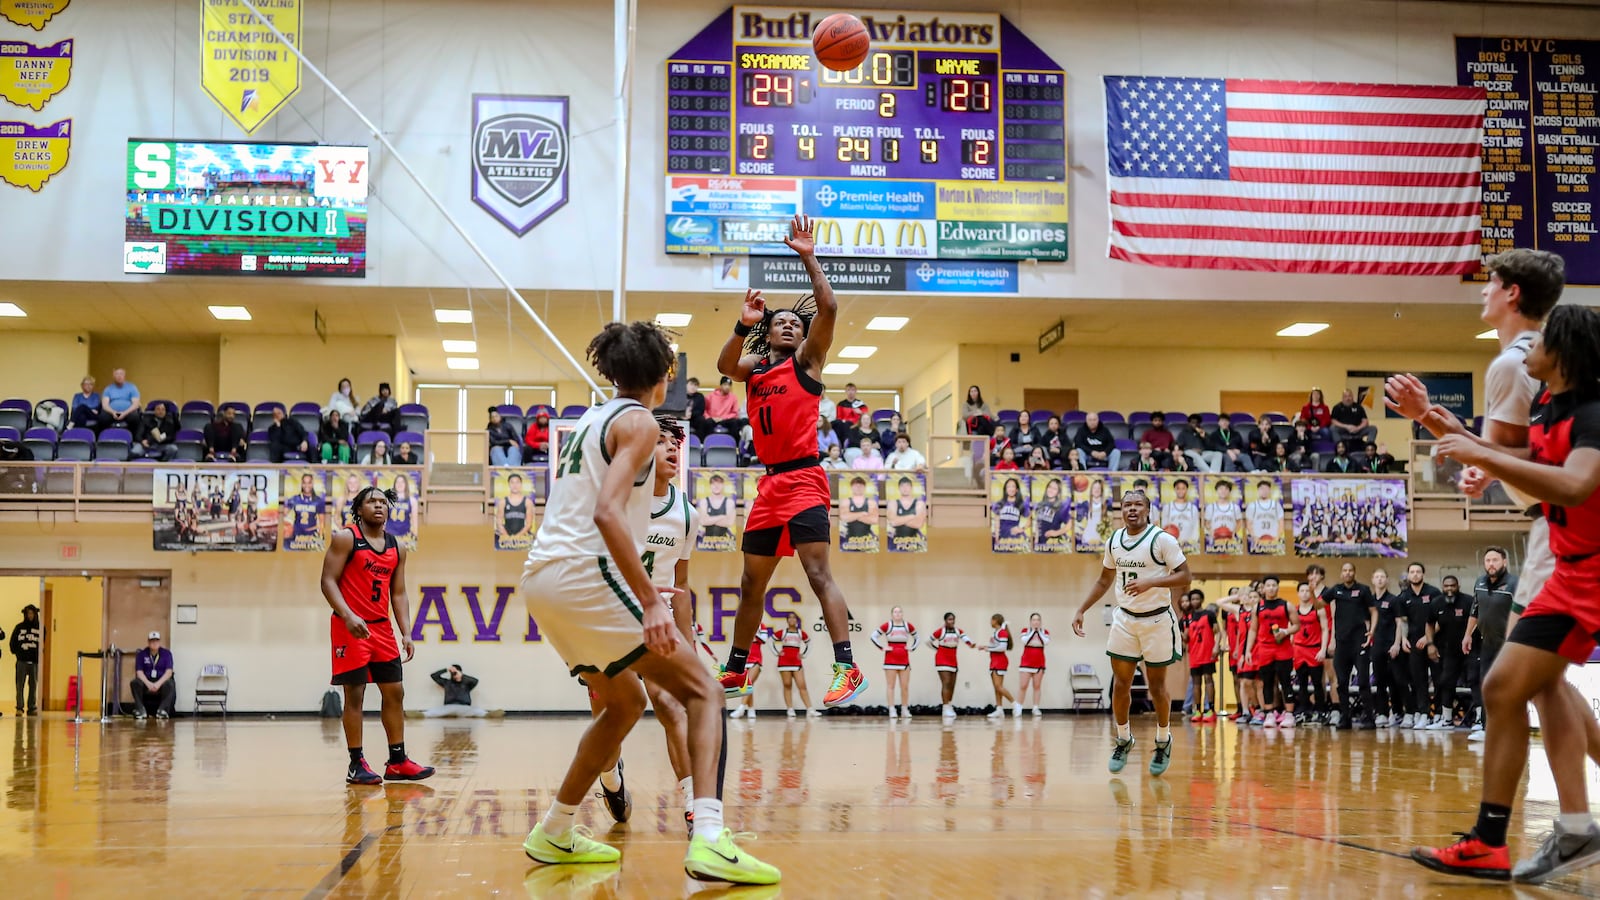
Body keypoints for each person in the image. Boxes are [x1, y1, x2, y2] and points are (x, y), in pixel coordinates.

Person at [519, 321, 776, 883]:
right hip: (584, 573)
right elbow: (607, 513)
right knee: (704, 690)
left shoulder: (589, 419)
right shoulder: (637, 420)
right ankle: (710, 837)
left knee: (624, 704)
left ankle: (555, 830)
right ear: (666, 376)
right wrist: (652, 602)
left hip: (542, 579)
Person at [1413, 303, 1600, 882]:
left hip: (1593, 575)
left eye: (1541, 339)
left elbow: (1574, 485)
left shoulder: (1593, 413)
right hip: (1570, 573)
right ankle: (1548, 833)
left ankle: (1508, 838)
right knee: (1513, 685)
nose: (1530, 345)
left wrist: (1481, 452)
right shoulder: (1550, 404)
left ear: (1563, 353)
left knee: (1517, 684)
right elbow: (1522, 458)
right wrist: (1444, 427)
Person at [714, 215, 867, 712]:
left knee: (817, 574)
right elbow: (723, 366)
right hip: (770, 488)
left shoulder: (807, 364)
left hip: (804, 478)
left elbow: (829, 306)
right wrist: (743, 323)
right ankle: (736, 669)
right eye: (779, 320)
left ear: (803, 338)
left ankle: (847, 667)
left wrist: (807, 257)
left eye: (795, 324)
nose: (787, 323)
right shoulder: (755, 370)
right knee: (750, 582)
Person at [1071, 489, 1191, 776]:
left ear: (1148, 509)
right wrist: (1081, 609)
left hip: (1157, 621)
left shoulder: (1162, 539)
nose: (1132, 509)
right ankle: (1124, 738)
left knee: (1157, 687)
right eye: (1127, 505)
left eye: (1138, 504)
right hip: (1125, 619)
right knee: (1120, 684)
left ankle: (1163, 741)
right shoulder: (1114, 540)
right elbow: (1103, 580)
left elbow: (1185, 576)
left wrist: (1152, 582)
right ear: (1121, 510)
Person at [320, 485, 433, 785]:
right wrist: (347, 615)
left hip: (381, 628)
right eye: (371, 502)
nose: (379, 506)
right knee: (355, 695)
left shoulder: (398, 546)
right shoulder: (346, 538)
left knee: (395, 692)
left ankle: (397, 760)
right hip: (350, 627)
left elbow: (399, 593)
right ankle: (356, 763)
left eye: (383, 501)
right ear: (358, 509)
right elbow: (328, 581)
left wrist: (406, 632)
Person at [1467, 547, 1516, 740]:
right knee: (1487, 685)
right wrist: (1467, 635)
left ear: (1504, 562)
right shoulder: (1479, 582)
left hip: (1510, 645)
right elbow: (1474, 611)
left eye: (1495, 560)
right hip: (1487, 643)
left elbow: (1525, 613)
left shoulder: (1515, 584)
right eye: (1487, 560)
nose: (1491, 564)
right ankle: (1488, 729)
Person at [1241, 577, 1300, 729]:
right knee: (1266, 682)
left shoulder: (1286, 605)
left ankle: (1289, 714)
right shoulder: (1257, 607)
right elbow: (1253, 630)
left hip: (1283, 648)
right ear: (1264, 588)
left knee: (1285, 681)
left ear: (1277, 588)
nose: (1271, 588)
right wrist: (1247, 650)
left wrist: (1285, 631)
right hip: (1264, 649)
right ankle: (1269, 714)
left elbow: (1297, 625)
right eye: (1268, 585)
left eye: (1274, 585)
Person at [1326, 562, 1378, 730]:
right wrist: (1312, 591)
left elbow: (1374, 611)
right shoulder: (1335, 590)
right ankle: (1345, 717)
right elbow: (1319, 604)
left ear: (1354, 572)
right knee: (1341, 682)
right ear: (1341, 573)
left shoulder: (1363, 590)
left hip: (1359, 641)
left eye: (1350, 570)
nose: (1347, 573)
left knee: (1363, 680)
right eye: (1345, 570)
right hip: (1342, 643)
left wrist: (1372, 631)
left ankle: (1369, 717)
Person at [1397, 562, 1441, 729]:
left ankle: (1437, 714)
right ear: (1408, 575)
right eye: (1412, 572)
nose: (1415, 575)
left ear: (1423, 574)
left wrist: (1427, 637)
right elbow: (1403, 622)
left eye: (1418, 572)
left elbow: (1439, 620)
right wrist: (1403, 639)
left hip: (1433, 642)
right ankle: (1423, 713)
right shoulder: (1403, 596)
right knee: (1418, 680)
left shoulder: (1433, 593)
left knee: (1438, 679)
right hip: (1415, 643)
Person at [1429, 574, 1473, 729]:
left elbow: (1477, 621)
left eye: (1452, 586)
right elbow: (1429, 624)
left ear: (1458, 586)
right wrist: (1430, 644)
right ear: (1442, 587)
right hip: (1449, 651)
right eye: (1446, 586)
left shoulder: (1469, 601)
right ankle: (1447, 720)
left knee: (1475, 680)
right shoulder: (1436, 603)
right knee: (1446, 682)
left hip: (1470, 650)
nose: (1449, 589)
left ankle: (1480, 721)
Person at [1291, 581, 1330, 725]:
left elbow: (1325, 629)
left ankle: (1320, 710)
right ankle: (1303, 710)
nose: (1305, 593)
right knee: (1301, 683)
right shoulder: (1294, 610)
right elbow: (1291, 631)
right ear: (1298, 593)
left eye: (1307, 590)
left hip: (1314, 649)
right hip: (1299, 649)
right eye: (1302, 591)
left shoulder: (1318, 609)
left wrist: (1323, 648)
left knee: (1317, 683)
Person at [872, 607, 918, 718]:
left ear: (902, 614)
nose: (898, 614)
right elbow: (873, 636)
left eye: (900, 612)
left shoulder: (907, 625)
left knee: (905, 686)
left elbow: (917, 638)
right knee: (890, 686)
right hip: (890, 661)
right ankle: (891, 710)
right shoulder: (888, 625)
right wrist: (882, 647)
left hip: (904, 660)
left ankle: (904, 709)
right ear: (892, 614)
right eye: (895, 612)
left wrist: (912, 647)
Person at [928, 612, 975, 720]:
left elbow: (966, 638)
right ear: (945, 621)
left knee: (952, 684)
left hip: (953, 659)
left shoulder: (958, 631)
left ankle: (949, 705)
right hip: (942, 659)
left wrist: (971, 644)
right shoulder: (941, 631)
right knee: (946, 682)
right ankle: (945, 708)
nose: (951, 621)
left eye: (953, 619)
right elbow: (928, 641)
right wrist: (937, 649)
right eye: (949, 619)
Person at [770, 612, 819, 718]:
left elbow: (809, 643)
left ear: (797, 620)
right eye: (790, 618)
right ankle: (790, 709)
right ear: (787, 620)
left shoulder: (801, 633)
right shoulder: (783, 632)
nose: (792, 620)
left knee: (802, 685)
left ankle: (810, 709)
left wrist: (804, 655)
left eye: (794, 618)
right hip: (784, 662)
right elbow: (771, 640)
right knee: (787, 685)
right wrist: (776, 653)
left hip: (796, 662)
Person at [1184, 594, 1220, 723]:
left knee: (1208, 679)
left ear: (1202, 600)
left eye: (1197, 599)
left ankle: (1210, 710)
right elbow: (1187, 638)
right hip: (1194, 654)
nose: (1194, 601)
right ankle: (1197, 710)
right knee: (1196, 683)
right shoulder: (1188, 617)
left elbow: (1218, 632)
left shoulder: (1209, 614)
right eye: (1192, 599)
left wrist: (1216, 647)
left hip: (1207, 653)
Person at [421, 665, 498, 718]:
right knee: (434, 712)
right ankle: (420, 715)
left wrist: (462, 676)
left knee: (478, 711)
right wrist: (447, 669)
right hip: (449, 707)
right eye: (453, 673)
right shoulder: (446, 682)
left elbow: (475, 681)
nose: (454, 674)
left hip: (465, 708)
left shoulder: (467, 683)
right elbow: (434, 676)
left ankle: (490, 715)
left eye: (456, 672)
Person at [130, 631, 175, 719]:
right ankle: (140, 710)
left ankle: (163, 710)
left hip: (160, 681)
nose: (154, 643)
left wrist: (158, 684)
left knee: (170, 683)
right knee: (135, 683)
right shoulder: (141, 654)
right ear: (148, 642)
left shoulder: (167, 654)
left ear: (159, 642)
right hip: (146, 681)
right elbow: (139, 672)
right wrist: (148, 684)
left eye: (156, 641)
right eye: (152, 641)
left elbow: (169, 672)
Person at [984, 614, 1019, 719]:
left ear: (995, 620)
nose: (990, 622)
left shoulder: (1003, 632)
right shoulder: (997, 632)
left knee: (999, 686)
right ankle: (999, 709)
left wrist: (989, 649)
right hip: (994, 660)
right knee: (996, 687)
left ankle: (1015, 704)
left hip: (1000, 661)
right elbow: (996, 646)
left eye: (991, 619)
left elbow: (1002, 647)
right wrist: (985, 647)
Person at [1017, 612, 1050, 717]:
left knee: (1037, 686)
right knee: (1023, 685)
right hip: (1026, 661)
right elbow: (1025, 641)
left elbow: (1045, 642)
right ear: (1030, 621)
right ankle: (1018, 708)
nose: (1036, 622)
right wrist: (1033, 632)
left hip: (1039, 662)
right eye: (1034, 620)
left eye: (1038, 620)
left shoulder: (1045, 632)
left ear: (1040, 622)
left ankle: (1035, 708)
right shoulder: (1025, 631)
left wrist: (1038, 632)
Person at [10, 604, 40, 715]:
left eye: (32, 613)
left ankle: (32, 707)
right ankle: (19, 707)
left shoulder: (40, 628)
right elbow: (12, 642)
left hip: (34, 662)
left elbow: (43, 642)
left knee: (33, 685)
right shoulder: (19, 627)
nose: (30, 615)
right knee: (19, 685)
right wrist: (17, 653)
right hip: (21, 661)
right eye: (28, 613)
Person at [284, 473, 326, 550]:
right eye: (304, 482)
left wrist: (320, 537)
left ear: (312, 484)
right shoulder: (295, 499)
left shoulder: (318, 501)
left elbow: (322, 522)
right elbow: (283, 514)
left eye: (309, 482)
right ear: (302, 484)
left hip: (311, 536)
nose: (307, 485)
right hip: (296, 536)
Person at [887, 476, 926, 549]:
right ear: (899, 488)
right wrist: (912, 516)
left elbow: (918, 524)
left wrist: (899, 520)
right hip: (896, 544)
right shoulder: (893, 503)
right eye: (902, 486)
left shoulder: (919, 503)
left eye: (907, 485)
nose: (905, 488)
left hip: (915, 543)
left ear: (911, 488)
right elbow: (893, 522)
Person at [100, 368, 141, 432]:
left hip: (128, 412)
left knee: (135, 417)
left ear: (124, 376)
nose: (119, 376)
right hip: (111, 413)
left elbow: (135, 405)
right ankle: (104, 438)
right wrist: (113, 412)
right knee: (103, 417)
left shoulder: (132, 387)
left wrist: (124, 413)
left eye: (121, 374)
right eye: (117, 374)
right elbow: (105, 405)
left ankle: (133, 439)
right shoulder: (108, 388)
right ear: (113, 376)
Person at [696, 474, 736, 541]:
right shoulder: (704, 502)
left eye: (719, 483)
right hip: (706, 543)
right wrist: (722, 517)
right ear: (710, 486)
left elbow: (730, 523)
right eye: (713, 484)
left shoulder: (729, 502)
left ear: (723, 485)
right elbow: (703, 522)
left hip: (725, 543)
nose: (716, 486)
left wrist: (709, 520)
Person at [497, 473, 532, 541]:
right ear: (509, 485)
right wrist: (508, 538)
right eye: (512, 482)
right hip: (506, 538)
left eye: (517, 482)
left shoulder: (528, 502)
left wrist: (517, 537)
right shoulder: (502, 502)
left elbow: (529, 524)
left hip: (522, 538)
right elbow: (499, 523)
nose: (515, 485)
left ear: (521, 484)